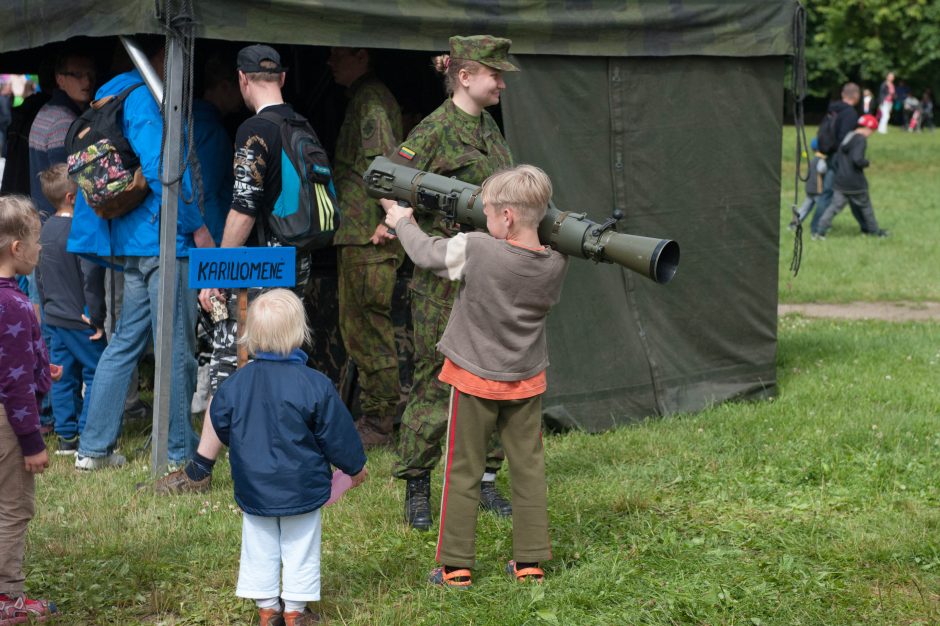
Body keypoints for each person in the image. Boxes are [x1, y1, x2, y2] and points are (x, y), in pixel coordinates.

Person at [384, 164, 567, 587]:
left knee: (462, 469)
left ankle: (455, 567)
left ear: (507, 217)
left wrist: (404, 222)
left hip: (473, 380)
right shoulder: (556, 263)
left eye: (487, 211)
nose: (482, 219)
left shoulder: (478, 248)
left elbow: (428, 253)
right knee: (528, 468)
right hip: (526, 380)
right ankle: (530, 563)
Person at [154, 44, 316, 495]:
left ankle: (198, 472)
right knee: (281, 360)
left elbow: (243, 207)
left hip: (260, 266)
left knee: (230, 359)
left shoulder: (255, 130)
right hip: (296, 263)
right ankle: (284, 458)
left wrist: (219, 274)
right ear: (282, 78)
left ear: (242, 81)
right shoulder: (302, 126)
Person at [386, 35, 517, 530]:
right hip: (443, 283)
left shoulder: (490, 129)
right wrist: (415, 228)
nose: (502, 82)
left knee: (496, 378)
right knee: (436, 382)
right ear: (465, 76)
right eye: (495, 74)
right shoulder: (436, 129)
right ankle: (418, 484)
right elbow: (385, 182)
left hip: (491, 278)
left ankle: (486, 480)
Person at [67, 39, 212, 470]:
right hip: (163, 241)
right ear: (164, 54)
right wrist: (198, 227)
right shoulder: (146, 97)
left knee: (125, 343)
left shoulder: (111, 92)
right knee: (176, 349)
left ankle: (93, 449)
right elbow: (162, 170)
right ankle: (179, 452)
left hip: (127, 240)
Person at [210, 289, 367, 626]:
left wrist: (242, 447)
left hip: (253, 486)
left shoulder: (236, 384)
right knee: (301, 546)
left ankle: (268, 609)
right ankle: (295, 610)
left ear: (251, 334)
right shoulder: (315, 384)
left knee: (258, 544)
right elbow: (337, 434)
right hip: (303, 486)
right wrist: (355, 467)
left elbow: (220, 422)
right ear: (300, 333)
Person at [327, 46, 404, 448]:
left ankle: (379, 422)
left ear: (359, 55)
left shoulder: (370, 100)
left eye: (338, 55)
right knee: (358, 328)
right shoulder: (363, 97)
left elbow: (383, 167)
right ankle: (377, 418)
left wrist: (388, 218)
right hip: (358, 233)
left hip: (368, 236)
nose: (330, 61)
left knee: (368, 329)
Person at [0, 195, 59, 622]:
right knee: (15, 507)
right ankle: (8, 599)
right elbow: (14, 384)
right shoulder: (15, 305)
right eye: (37, 240)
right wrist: (33, 443)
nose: (41, 248)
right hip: (10, 422)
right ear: (17, 248)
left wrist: (41, 365)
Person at [34, 164, 106, 454]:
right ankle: (89, 429)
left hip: (54, 316)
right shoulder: (80, 232)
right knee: (97, 370)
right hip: (80, 318)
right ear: (71, 197)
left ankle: (66, 436)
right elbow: (90, 277)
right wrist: (97, 316)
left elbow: (38, 276)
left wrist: (47, 306)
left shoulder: (43, 231)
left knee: (60, 375)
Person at [28, 54, 96, 217]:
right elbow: (65, 186)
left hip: (45, 217)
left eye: (91, 75)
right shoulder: (65, 122)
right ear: (60, 79)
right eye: (77, 75)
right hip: (61, 221)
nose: (87, 81)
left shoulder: (48, 110)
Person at [815, 114, 888, 239]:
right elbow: (857, 159)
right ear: (868, 128)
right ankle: (874, 232)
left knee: (834, 207)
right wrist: (866, 162)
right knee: (866, 207)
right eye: (872, 131)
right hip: (855, 182)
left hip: (840, 180)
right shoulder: (860, 139)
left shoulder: (848, 137)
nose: (870, 134)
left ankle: (819, 231)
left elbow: (837, 159)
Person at [810, 82, 862, 238]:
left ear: (843, 94)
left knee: (826, 193)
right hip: (840, 158)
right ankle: (868, 227)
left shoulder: (833, 109)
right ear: (856, 96)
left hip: (828, 154)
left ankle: (815, 227)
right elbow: (844, 139)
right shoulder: (850, 114)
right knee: (852, 191)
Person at [789, 138, 827, 229]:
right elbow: (822, 170)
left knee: (804, 209)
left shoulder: (813, 159)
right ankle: (821, 226)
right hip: (817, 189)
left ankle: (793, 225)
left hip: (809, 188)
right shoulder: (821, 160)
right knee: (823, 208)